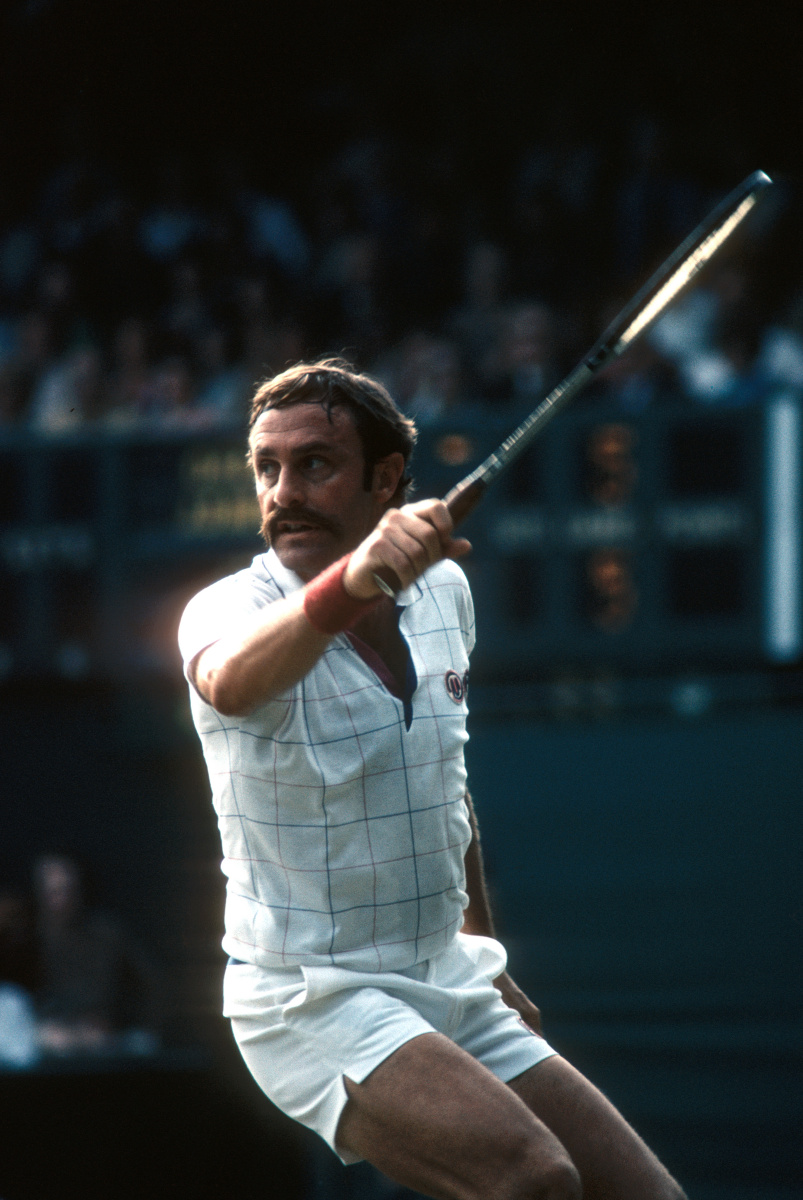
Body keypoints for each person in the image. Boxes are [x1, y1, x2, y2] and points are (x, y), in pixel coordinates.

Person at [178, 359, 686, 1200]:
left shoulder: (444, 589)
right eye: (267, 468)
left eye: (315, 464)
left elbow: (441, 787)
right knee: (533, 1181)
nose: (283, 491)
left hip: (444, 975)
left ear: (385, 481)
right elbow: (231, 681)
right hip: (307, 1000)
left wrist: (481, 954)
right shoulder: (224, 609)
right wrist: (354, 579)